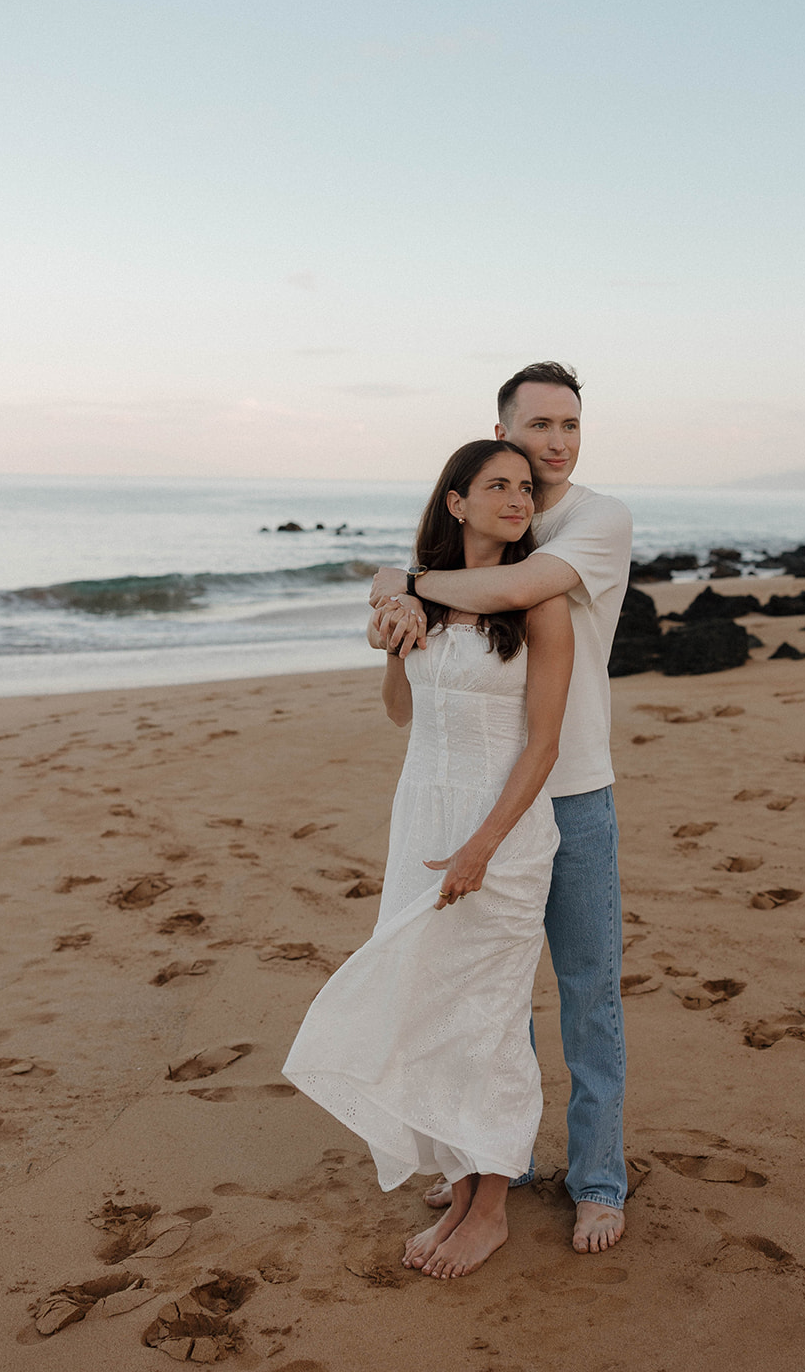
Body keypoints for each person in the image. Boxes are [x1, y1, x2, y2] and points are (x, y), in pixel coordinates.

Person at [284, 439, 573, 1280]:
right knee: (424, 1006)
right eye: (498, 486)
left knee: (484, 1016)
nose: (517, 499)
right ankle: (459, 1175)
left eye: (525, 488)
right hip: (419, 822)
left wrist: (484, 846)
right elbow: (399, 715)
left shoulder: (538, 600)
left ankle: (490, 1206)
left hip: (503, 831)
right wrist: (390, 643)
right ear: (456, 502)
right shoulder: (422, 593)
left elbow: (545, 743)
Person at [370, 363, 633, 1254]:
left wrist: (399, 579)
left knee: (588, 996)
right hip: (477, 794)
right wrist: (397, 598)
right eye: (536, 430)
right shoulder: (501, 505)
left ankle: (599, 1180)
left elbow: (513, 593)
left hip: (575, 789)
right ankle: (495, 1169)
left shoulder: (593, 520)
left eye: (569, 427)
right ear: (502, 430)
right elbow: (419, 677)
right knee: (489, 1002)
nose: (554, 445)